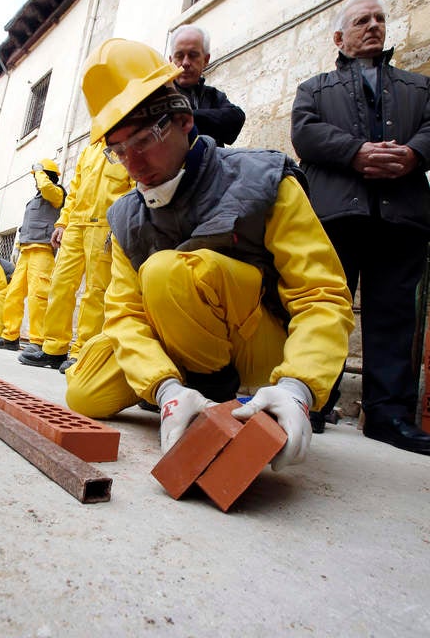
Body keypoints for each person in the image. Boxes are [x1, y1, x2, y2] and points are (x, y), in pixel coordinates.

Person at [65, 38, 354, 471]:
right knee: (85, 390)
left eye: (144, 139)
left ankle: (229, 400)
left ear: (184, 121)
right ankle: (184, 391)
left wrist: (300, 385)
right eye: (119, 150)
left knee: (165, 273)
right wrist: (163, 388)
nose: (133, 162)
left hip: (259, 349)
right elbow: (124, 313)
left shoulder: (263, 179)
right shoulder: (126, 215)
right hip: (184, 333)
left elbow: (321, 294)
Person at [291, 0, 430, 455]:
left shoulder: (417, 87)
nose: (373, 26)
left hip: (401, 216)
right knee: (325, 308)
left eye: (379, 19)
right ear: (339, 36)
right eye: (361, 21)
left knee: (394, 314)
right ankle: (314, 401)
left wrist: (413, 154)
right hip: (337, 215)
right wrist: (356, 152)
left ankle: (389, 416)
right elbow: (305, 133)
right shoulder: (314, 88)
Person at [18, 138, 133, 371]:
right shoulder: (89, 149)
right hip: (75, 226)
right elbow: (75, 191)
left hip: (104, 225)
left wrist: (120, 222)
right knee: (59, 285)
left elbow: (133, 188)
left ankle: (83, 351)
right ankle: (53, 349)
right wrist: (62, 222)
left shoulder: (128, 143)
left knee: (95, 290)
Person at [0, 159, 66, 351]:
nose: (35, 180)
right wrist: (17, 245)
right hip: (26, 251)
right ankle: (9, 337)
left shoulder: (57, 193)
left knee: (38, 295)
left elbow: (47, 188)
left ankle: (37, 341)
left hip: (43, 251)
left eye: (38, 175)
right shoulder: (34, 200)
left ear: (46, 175)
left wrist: (39, 173)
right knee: (13, 294)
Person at [169, 24, 245, 146]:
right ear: (170, 61)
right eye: (179, 56)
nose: (185, 63)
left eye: (193, 55)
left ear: (206, 60)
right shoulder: (160, 95)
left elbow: (235, 120)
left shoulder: (214, 95)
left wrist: (189, 116)